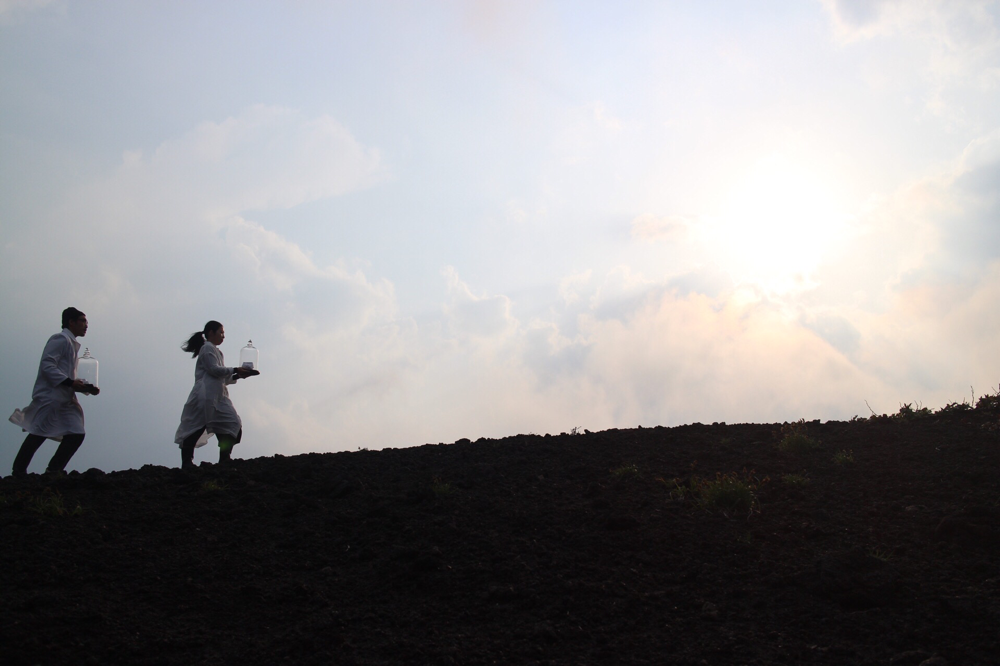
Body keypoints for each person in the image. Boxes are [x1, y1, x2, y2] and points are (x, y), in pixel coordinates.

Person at [8, 307, 100, 477]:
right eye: (82, 321)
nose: (86, 325)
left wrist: (85, 388)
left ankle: (53, 470)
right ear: (71, 322)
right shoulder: (60, 339)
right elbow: (47, 365)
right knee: (38, 432)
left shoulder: (71, 345)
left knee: (76, 433)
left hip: (65, 399)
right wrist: (70, 383)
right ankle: (18, 472)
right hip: (50, 397)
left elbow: (67, 375)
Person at [175, 320, 256, 469]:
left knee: (232, 423)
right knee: (196, 427)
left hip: (219, 396)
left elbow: (223, 377)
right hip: (205, 395)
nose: (223, 336)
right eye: (221, 332)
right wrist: (235, 370)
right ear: (211, 333)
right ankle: (187, 462)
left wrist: (239, 375)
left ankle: (224, 459)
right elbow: (214, 370)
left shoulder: (217, 352)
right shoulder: (206, 348)